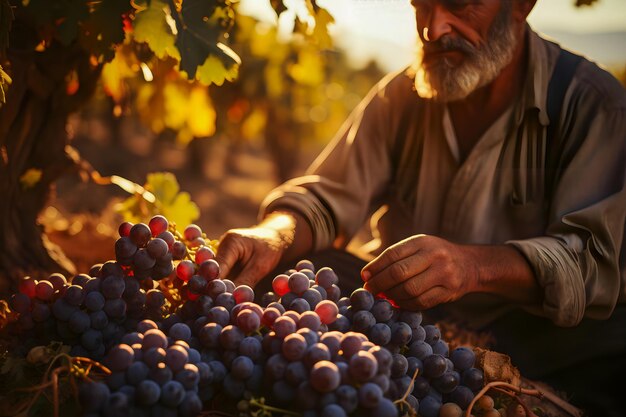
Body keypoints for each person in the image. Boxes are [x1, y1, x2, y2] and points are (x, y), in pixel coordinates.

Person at [215, 0, 626, 415]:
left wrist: (474, 267)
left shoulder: (591, 105)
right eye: (421, 5)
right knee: (302, 267)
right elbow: (327, 198)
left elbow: (591, 261)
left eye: (459, 5)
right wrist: (276, 234)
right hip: (412, 323)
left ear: (521, 5)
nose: (432, 28)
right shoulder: (401, 96)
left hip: (539, 341)